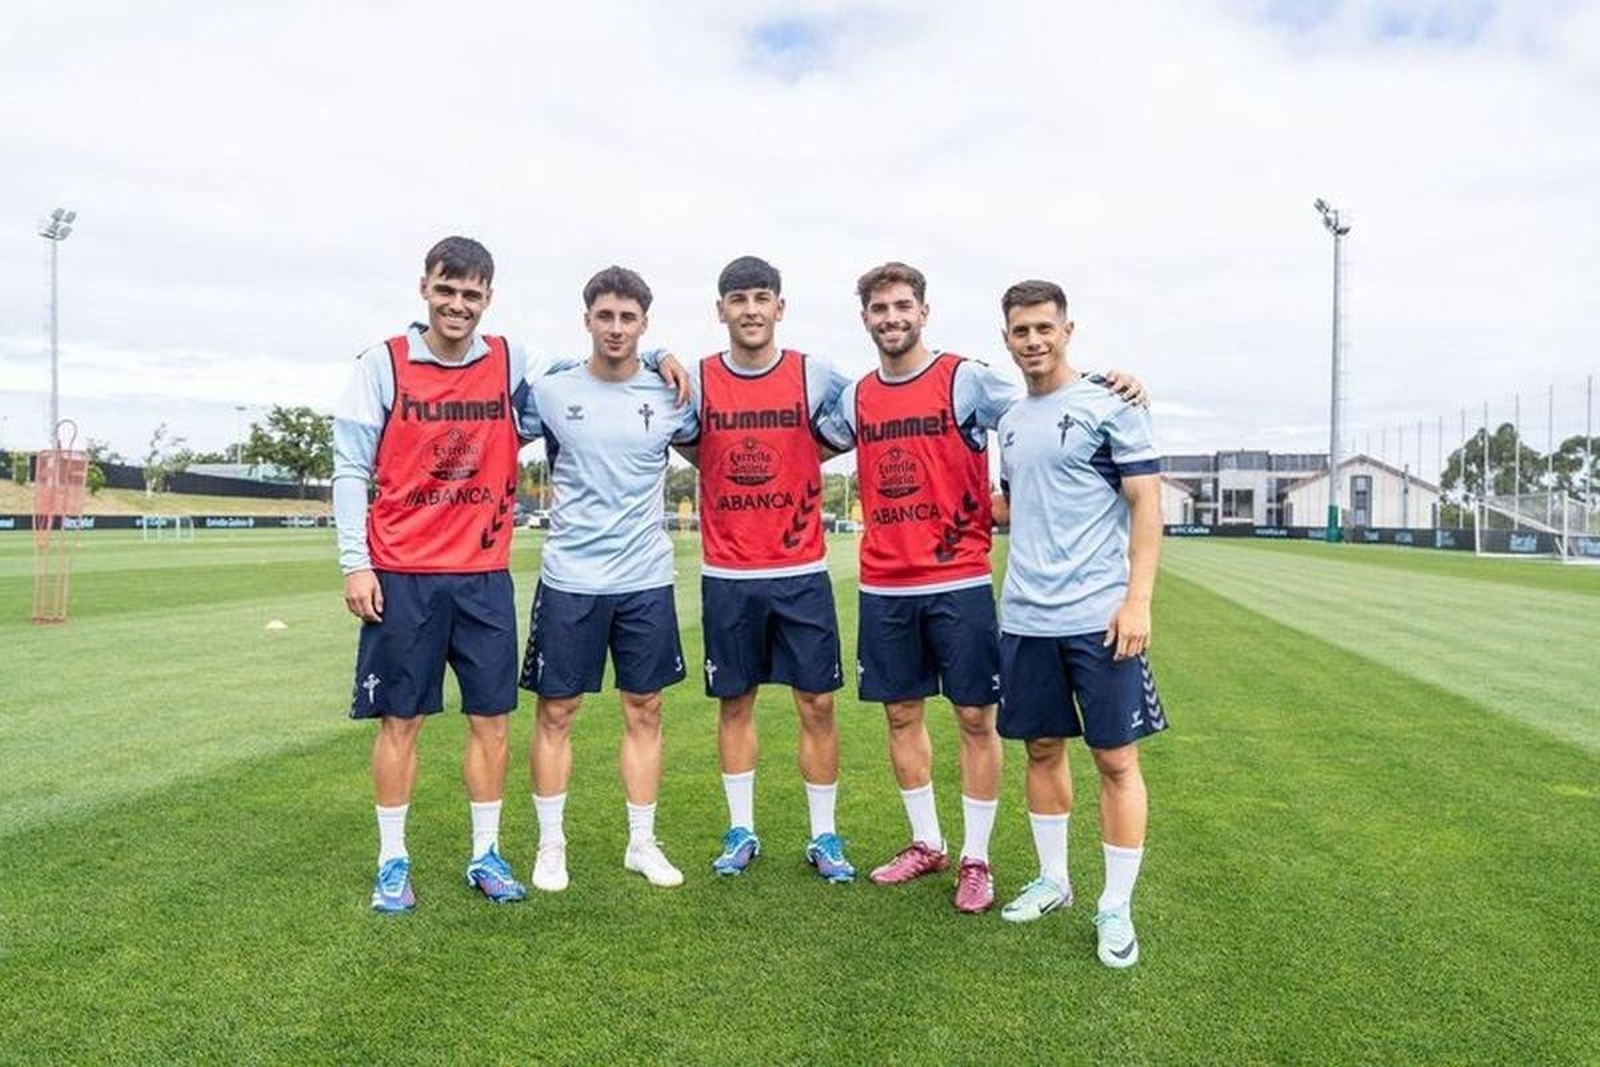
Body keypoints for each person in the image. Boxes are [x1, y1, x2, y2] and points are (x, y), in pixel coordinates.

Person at [335, 238, 687, 914]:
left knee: (491, 721)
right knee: (399, 723)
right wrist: (356, 561)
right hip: (403, 572)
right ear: (425, 288)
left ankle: (486, 854)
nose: (458, 304)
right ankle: (392, 861)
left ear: (488, 299)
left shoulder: (511, 362)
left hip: (484, 575)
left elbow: (597, 362)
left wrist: (658, 348)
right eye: (447, 290)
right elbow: (351, 466)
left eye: (471, 294)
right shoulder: (382, 364)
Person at [990, 279, 1167, 969]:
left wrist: (1138, 600)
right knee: (1040, 750)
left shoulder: (1110, 405)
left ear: (1068, 330)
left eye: (1044, 327)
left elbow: (1146, 506)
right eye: (1020, 330)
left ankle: (1115, 905)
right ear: (1005, 338)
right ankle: (1053, 880)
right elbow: (1020, 506)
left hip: (1100, 618)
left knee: (1115, 759)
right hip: (1027, 618)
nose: (1033, 340)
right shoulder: (1007, 423)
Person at [520, 265, 698, 892]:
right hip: (571, 578)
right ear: (586, 318)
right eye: (606, 316)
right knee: (556, 712)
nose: (616, 327)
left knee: (645, 709)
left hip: (645, 579)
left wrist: (662, 356)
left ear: (645, 323)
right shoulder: (549, 392)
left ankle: (642, 843)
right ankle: (550, 846)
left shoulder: (672, 395)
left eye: (629, 318)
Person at [682, 255, 856, 882]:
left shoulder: (815, 374)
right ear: (720, 309)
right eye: (737, 299)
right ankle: (741, 831)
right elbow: (681, 431)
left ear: (780, 307)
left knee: (818, 705)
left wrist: (814, 453)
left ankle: (825, 836)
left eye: (761, 298)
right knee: (735, 704)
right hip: (728, 574)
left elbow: (873, 402)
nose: (750, 309)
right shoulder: (699, 379)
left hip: (801, 570)